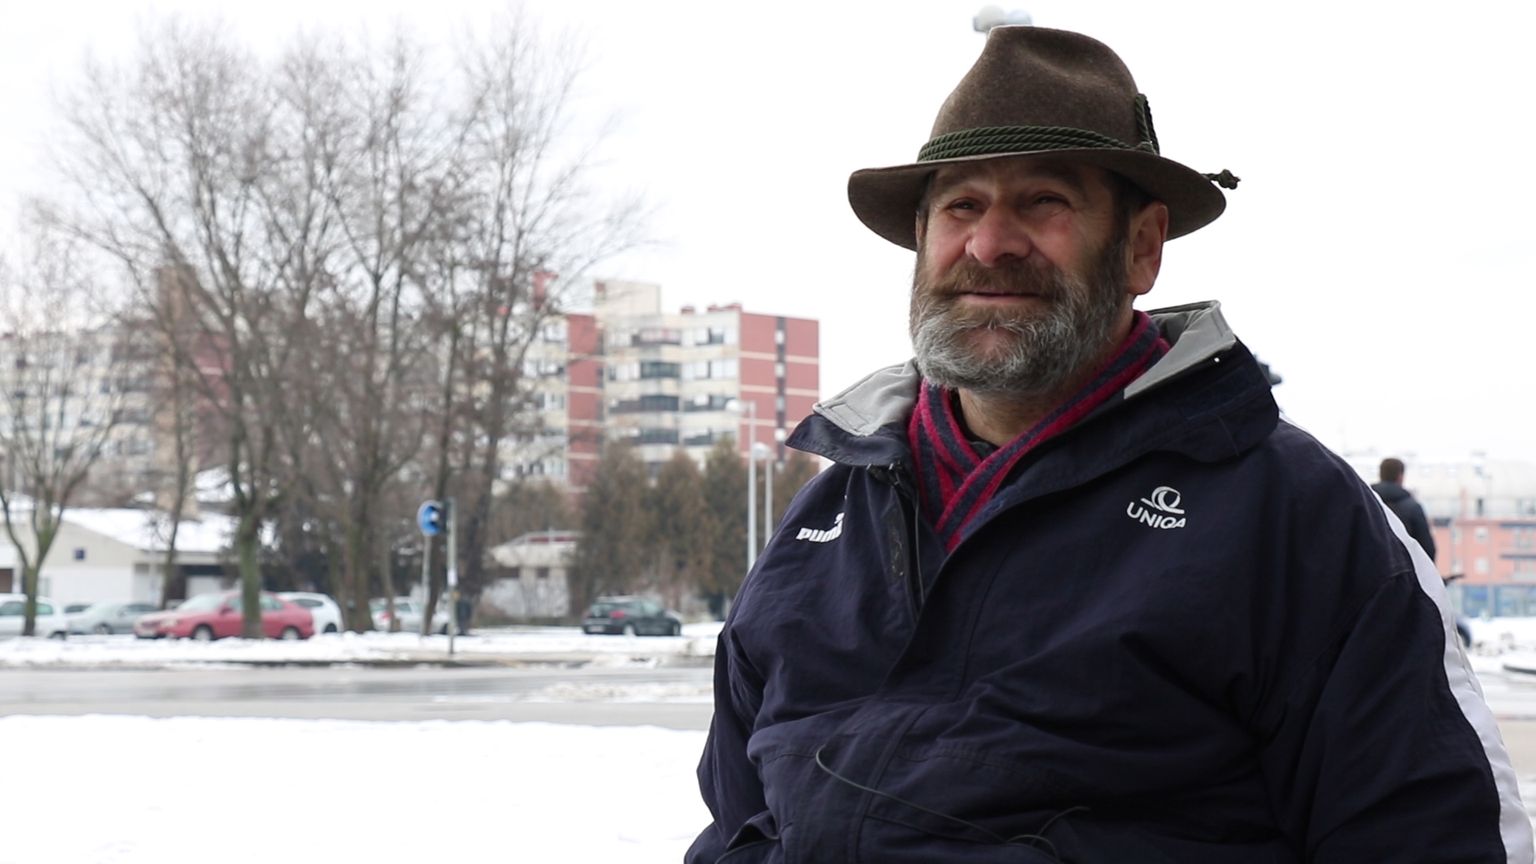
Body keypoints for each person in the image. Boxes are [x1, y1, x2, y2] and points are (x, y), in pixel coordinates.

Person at [686, 26, 1532, 864]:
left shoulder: (1295, 516)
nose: (990, 243)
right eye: (961, 206)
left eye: (1043, 202)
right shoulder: (825, 521)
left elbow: (1430, 834)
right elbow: (735, 826)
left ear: (1141, 247)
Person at [1372, 457, 1438, 562]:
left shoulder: (1368, 504)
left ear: (1380, 475)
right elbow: (1427, 549)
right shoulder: (1413, 508)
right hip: (1403, 568)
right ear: (1400, 476)